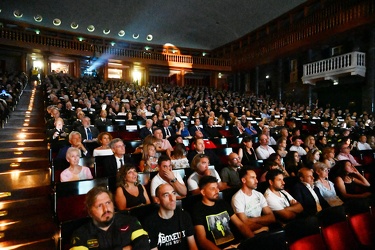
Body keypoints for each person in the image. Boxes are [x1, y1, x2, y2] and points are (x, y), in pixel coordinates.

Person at [70, 186, 150, 249]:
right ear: (90, 212)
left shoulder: (130, 221)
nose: (106, 209)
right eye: (99, 206)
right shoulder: (81, 234)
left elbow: (144, 244)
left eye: (108, 203)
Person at [191, 176, 254, 249]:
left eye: (217, 187)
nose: (217, 191)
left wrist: (253, 240)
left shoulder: (222, 203)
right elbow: (202, 240)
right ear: (203, 192)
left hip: (235, 245)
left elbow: (240, 225)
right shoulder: (197, 210)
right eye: (212, 188)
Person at [143, 183, 198, 250]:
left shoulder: (184, 215)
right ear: (157, 200)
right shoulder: (149, 223)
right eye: (166, 195)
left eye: (173, 193)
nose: (172, 198)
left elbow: (193, 246)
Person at [231, 168, 276, 234]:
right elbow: (244, 224)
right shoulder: (237, 198)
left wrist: (252, 220)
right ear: (244, 180)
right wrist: (263, 226)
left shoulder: (259, 194)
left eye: (256, 178)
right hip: (251, 233)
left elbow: (272, 217)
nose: (257, 181)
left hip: (262, 230)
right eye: (252, 178)